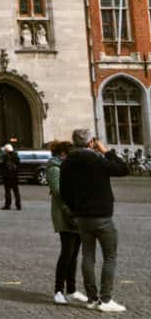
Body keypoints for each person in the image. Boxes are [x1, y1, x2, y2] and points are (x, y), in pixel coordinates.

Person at [60, 128, 129, 312]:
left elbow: (64, 192)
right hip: (102, 216)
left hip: (82, 217)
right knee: (110, 256)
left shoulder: (67, 163)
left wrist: (75, 210)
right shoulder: (98, 159)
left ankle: (92, 298)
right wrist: (106, 151)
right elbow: (123, 169)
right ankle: (106, 300)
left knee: (87, 257)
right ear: (91, 142)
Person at [47, 140, 88, 306]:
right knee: (67, 252)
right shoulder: (54, 168)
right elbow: (59, 192)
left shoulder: (67, 167)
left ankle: (71, 289)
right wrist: (70, 213)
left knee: (74, 253)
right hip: (64, 214)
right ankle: (58, 290)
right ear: (63, 154)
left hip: (75, 213)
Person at [1, 142, 22, 211]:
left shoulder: (5, 156)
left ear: (7, 149)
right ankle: (18, 205)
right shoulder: (16, 156)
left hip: (7, 176)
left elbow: (2, 166)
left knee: (8, 191)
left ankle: (8, 205)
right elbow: (19, 165)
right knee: (16, 192)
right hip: (15, 176)